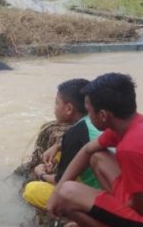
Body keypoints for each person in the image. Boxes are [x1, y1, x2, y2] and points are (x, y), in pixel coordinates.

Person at [47, 73, 143, 227]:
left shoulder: (129, 149)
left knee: (68, 194)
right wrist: (55, 193)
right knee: (96, 156)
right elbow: (87, 150)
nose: (88, 117)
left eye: (89, 111)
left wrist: (102, 207)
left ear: (103, 115)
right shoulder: (137, 125)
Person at [23, 78, 101, 210]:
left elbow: (63, 183)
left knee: (31, 190)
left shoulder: (74, 134)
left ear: (69, 109)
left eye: (57, 103)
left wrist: (41, 174)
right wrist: (58, 146)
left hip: (98, 198)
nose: (54, 108)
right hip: (114, 186)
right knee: (60, 155)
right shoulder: (100, 120)